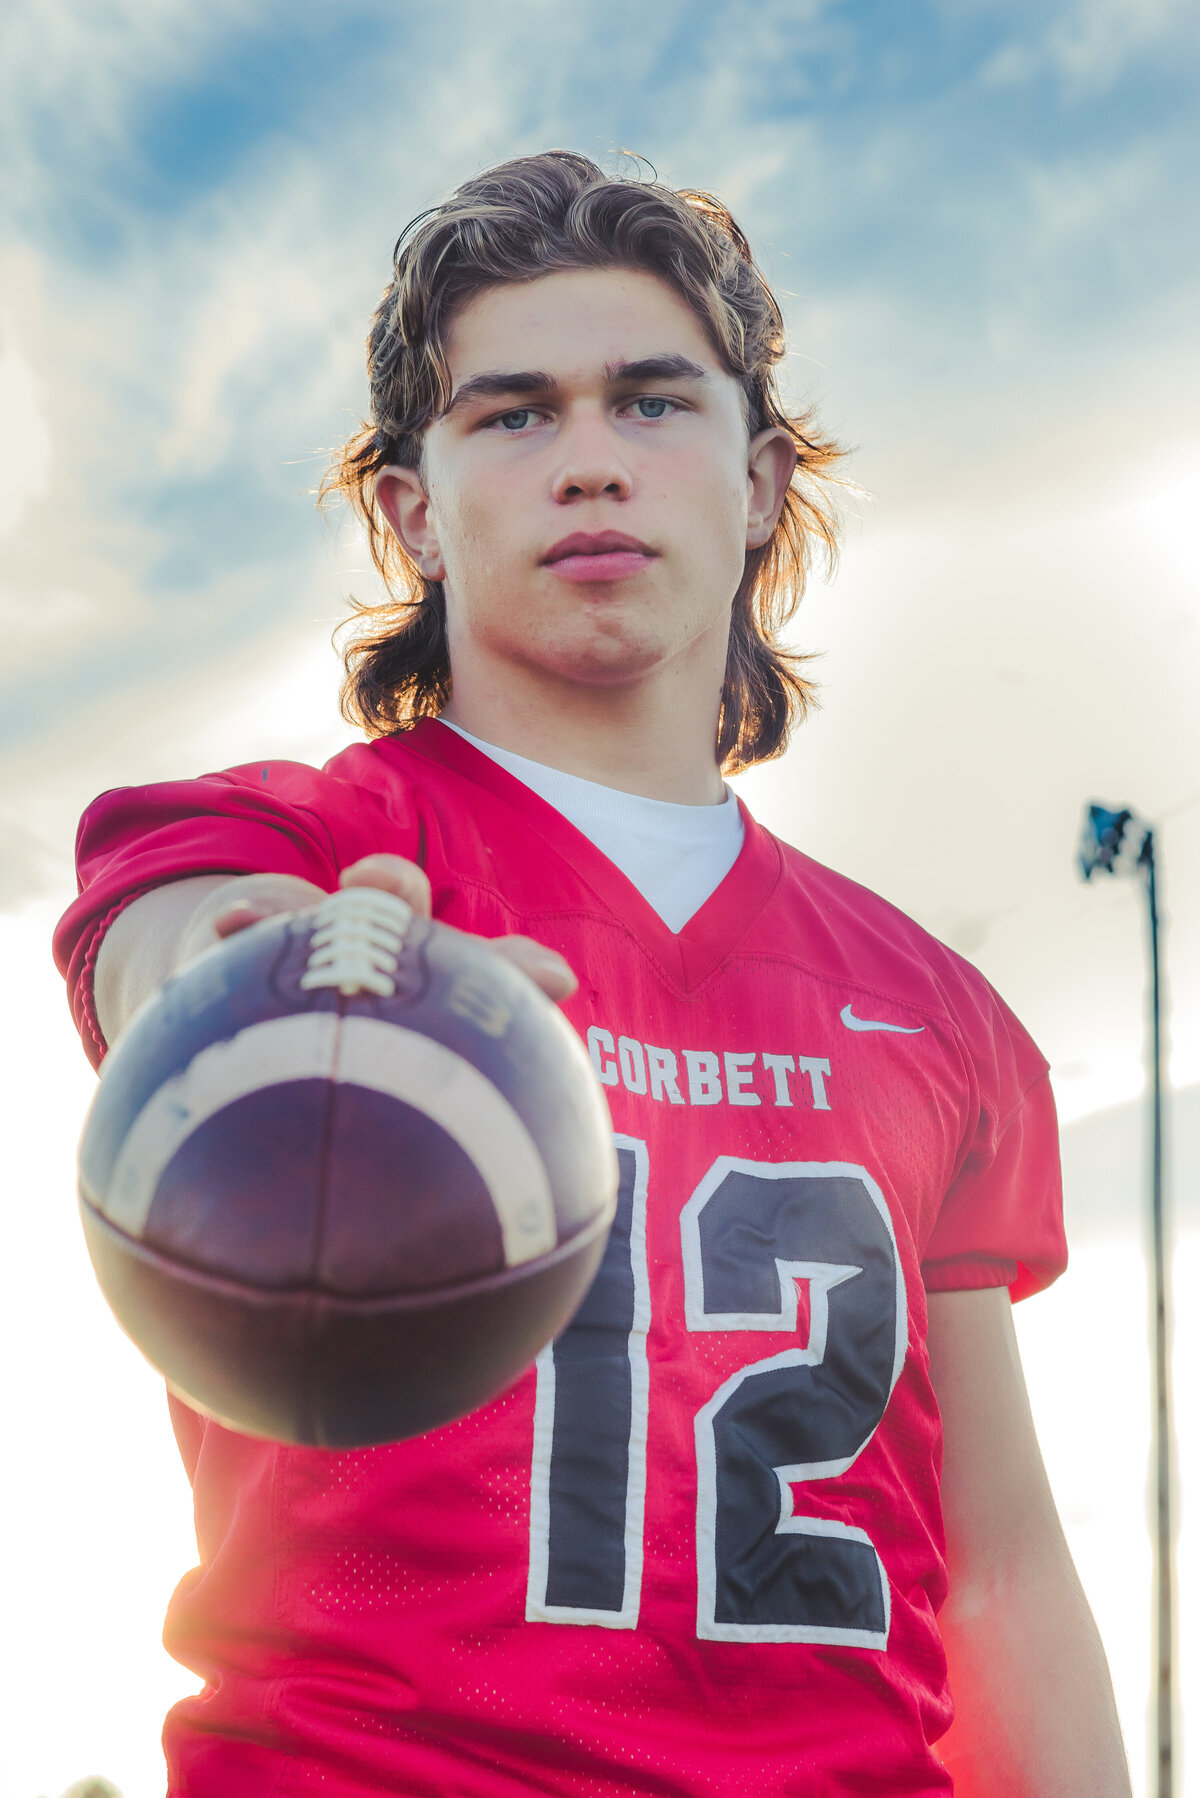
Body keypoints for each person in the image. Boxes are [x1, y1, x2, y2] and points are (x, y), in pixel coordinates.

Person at [54, 150, 1132, 1797]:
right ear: (413, 508)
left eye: (649, 403)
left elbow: (995, 1571)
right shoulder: (313, 849)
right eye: (512, 414)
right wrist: (260, 991)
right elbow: (165, 944)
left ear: (762, 479)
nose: (587, 465)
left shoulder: (937, 1009)